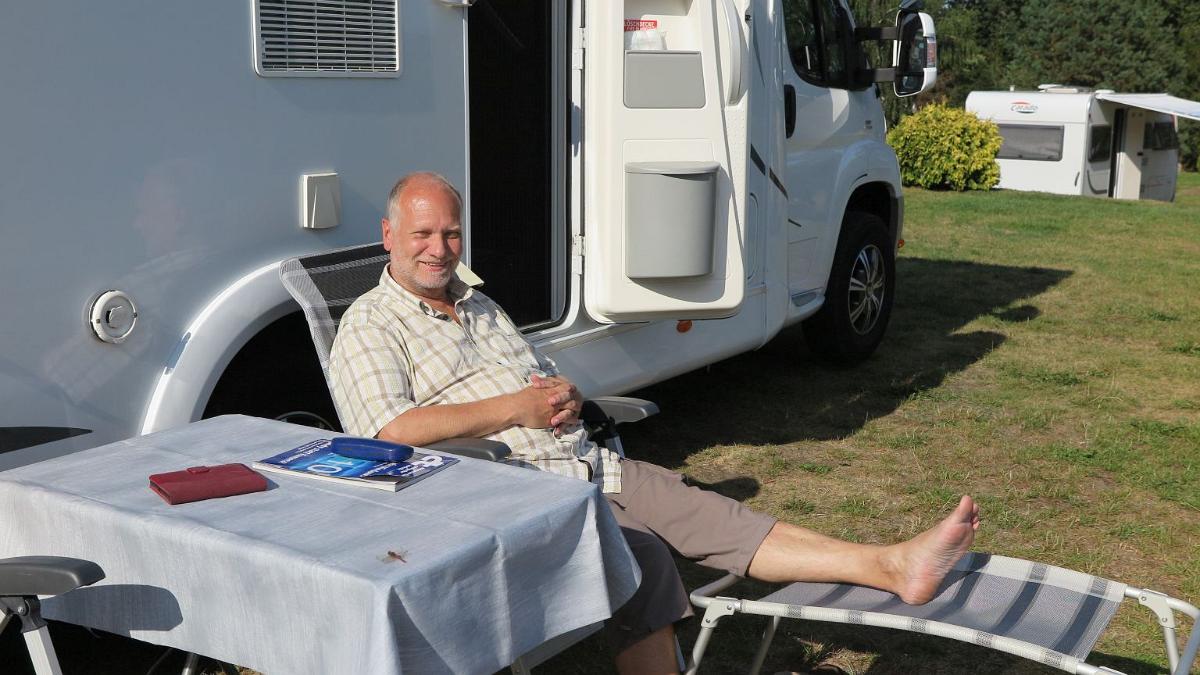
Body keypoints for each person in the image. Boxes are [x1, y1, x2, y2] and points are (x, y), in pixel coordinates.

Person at [329, 171, 981, 675]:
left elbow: (534, 378)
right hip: (516, 497)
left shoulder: (479, 303)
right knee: (642, 556)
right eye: (422, 235)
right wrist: (513, 410)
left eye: (451, 233)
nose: (440, 249)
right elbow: (386, 433)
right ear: (388, 235)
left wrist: (565, 394)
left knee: (716, 516)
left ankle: (891, 566)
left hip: (585, 463)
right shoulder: (370, 323)